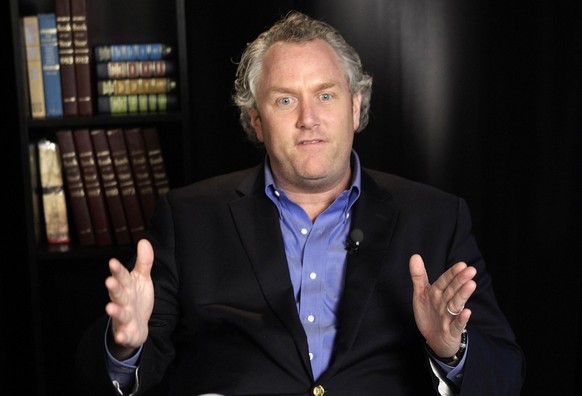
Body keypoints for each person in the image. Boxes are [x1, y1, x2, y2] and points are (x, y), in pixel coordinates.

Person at [76, 10, 525, 396]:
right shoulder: (188, 218)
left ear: (355, 106)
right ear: (256, 120)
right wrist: (126, 345)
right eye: (285, 99)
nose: (308, 118)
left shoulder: (437, 218)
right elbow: (102, 375)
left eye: (325, 95)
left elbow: (506, 374)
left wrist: (451, 352)